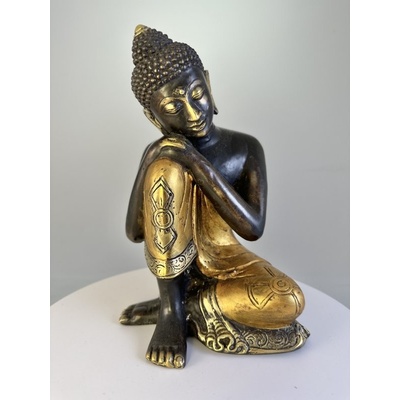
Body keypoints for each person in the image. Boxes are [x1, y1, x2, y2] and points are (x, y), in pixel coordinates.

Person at [120, 25, 309, 369]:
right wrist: (149, 160)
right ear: (153, 117)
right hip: (177, 272)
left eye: (197, 93)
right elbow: (135, 233)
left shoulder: (246, 148)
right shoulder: (163, 157)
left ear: (208, 82)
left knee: (289, 298)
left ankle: (187, 307)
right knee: (166, 168)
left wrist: (198, 164)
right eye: (173, 106)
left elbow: (252, 229)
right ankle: (171, 310)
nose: (193, 114)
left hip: (230, 264)